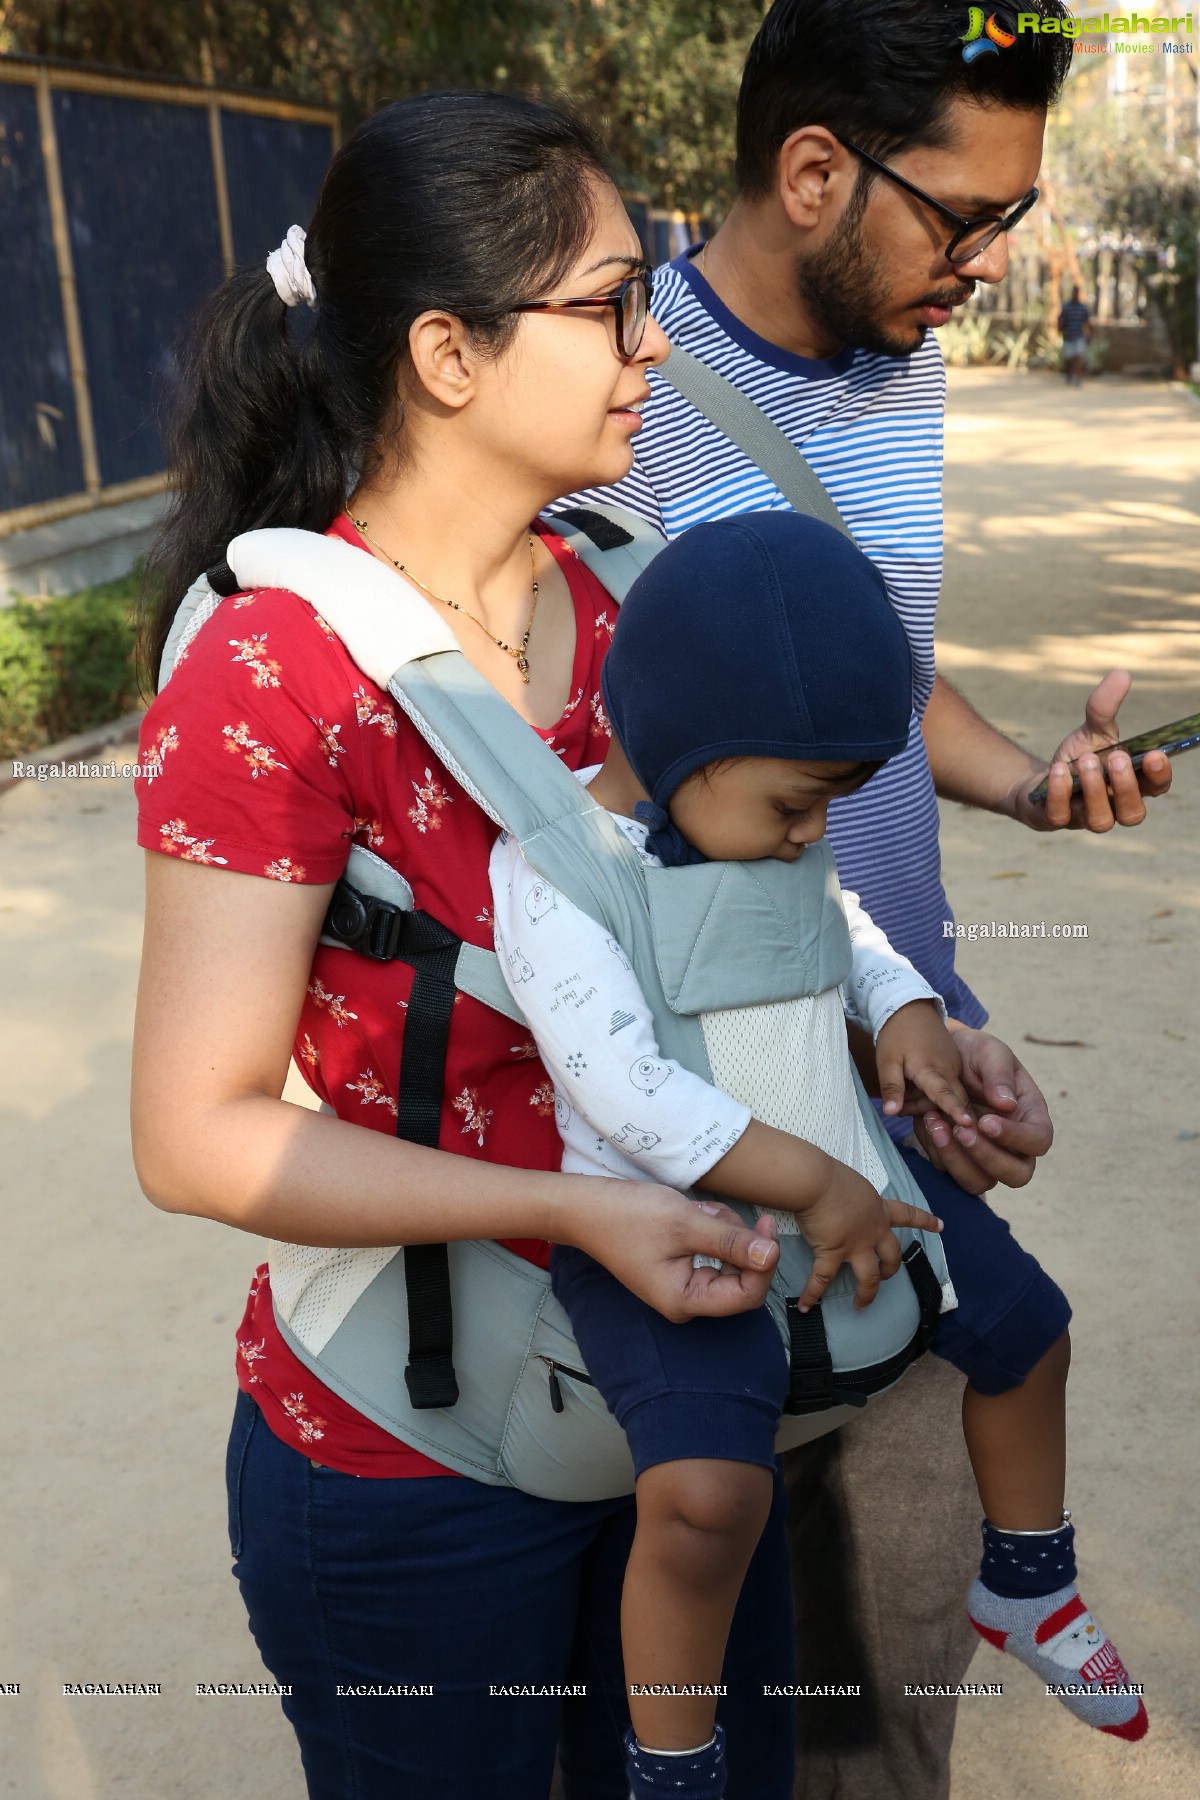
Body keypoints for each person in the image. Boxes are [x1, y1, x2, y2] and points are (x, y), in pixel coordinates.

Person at [130, 92, 813, 1800]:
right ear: (449, 350)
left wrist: (902, 1048)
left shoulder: (646, 599)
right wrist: (577, 1208)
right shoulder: (276, 676)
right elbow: (195, 1131)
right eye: (612, 304)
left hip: (691, 1431)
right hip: (409, 1471)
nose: (654, 348)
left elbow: (750, 921)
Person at [567, 2, 1171, 1791]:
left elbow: (879, 680)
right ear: (818, 171)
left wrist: (1025, 784)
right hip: (698, 1137)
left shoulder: (898, 361)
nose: (991, 265)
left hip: (898, 1073)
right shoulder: (617, 393)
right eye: (966, 220)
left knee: (887, 1710)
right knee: (698, 1636)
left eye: (1014, 219)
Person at [490, 512, 1147, 1800]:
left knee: (1031, 1332)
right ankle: (672, 1757)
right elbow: (620, 1090)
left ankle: (1029, 1576)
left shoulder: (773, 828)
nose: (809, 836)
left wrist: (906, 1014)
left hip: (858, 1180)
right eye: (795, 804)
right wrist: (809, 1185)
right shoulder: (559, 874)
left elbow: (846, 928)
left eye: (826, 808)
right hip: (678, 1233)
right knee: (702, 1498)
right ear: (681, 747)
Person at [1058, 284, 1093, 385]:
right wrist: (1060, 330)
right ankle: (1069, 374)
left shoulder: (1083, 307)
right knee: (1068, 358)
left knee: (1079, 356)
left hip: (1079, 336)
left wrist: (1089, 334)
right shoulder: (1066, 307)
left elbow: (1087, 322)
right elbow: (1061, 320)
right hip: (1069, 336)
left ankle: (1078, 377)